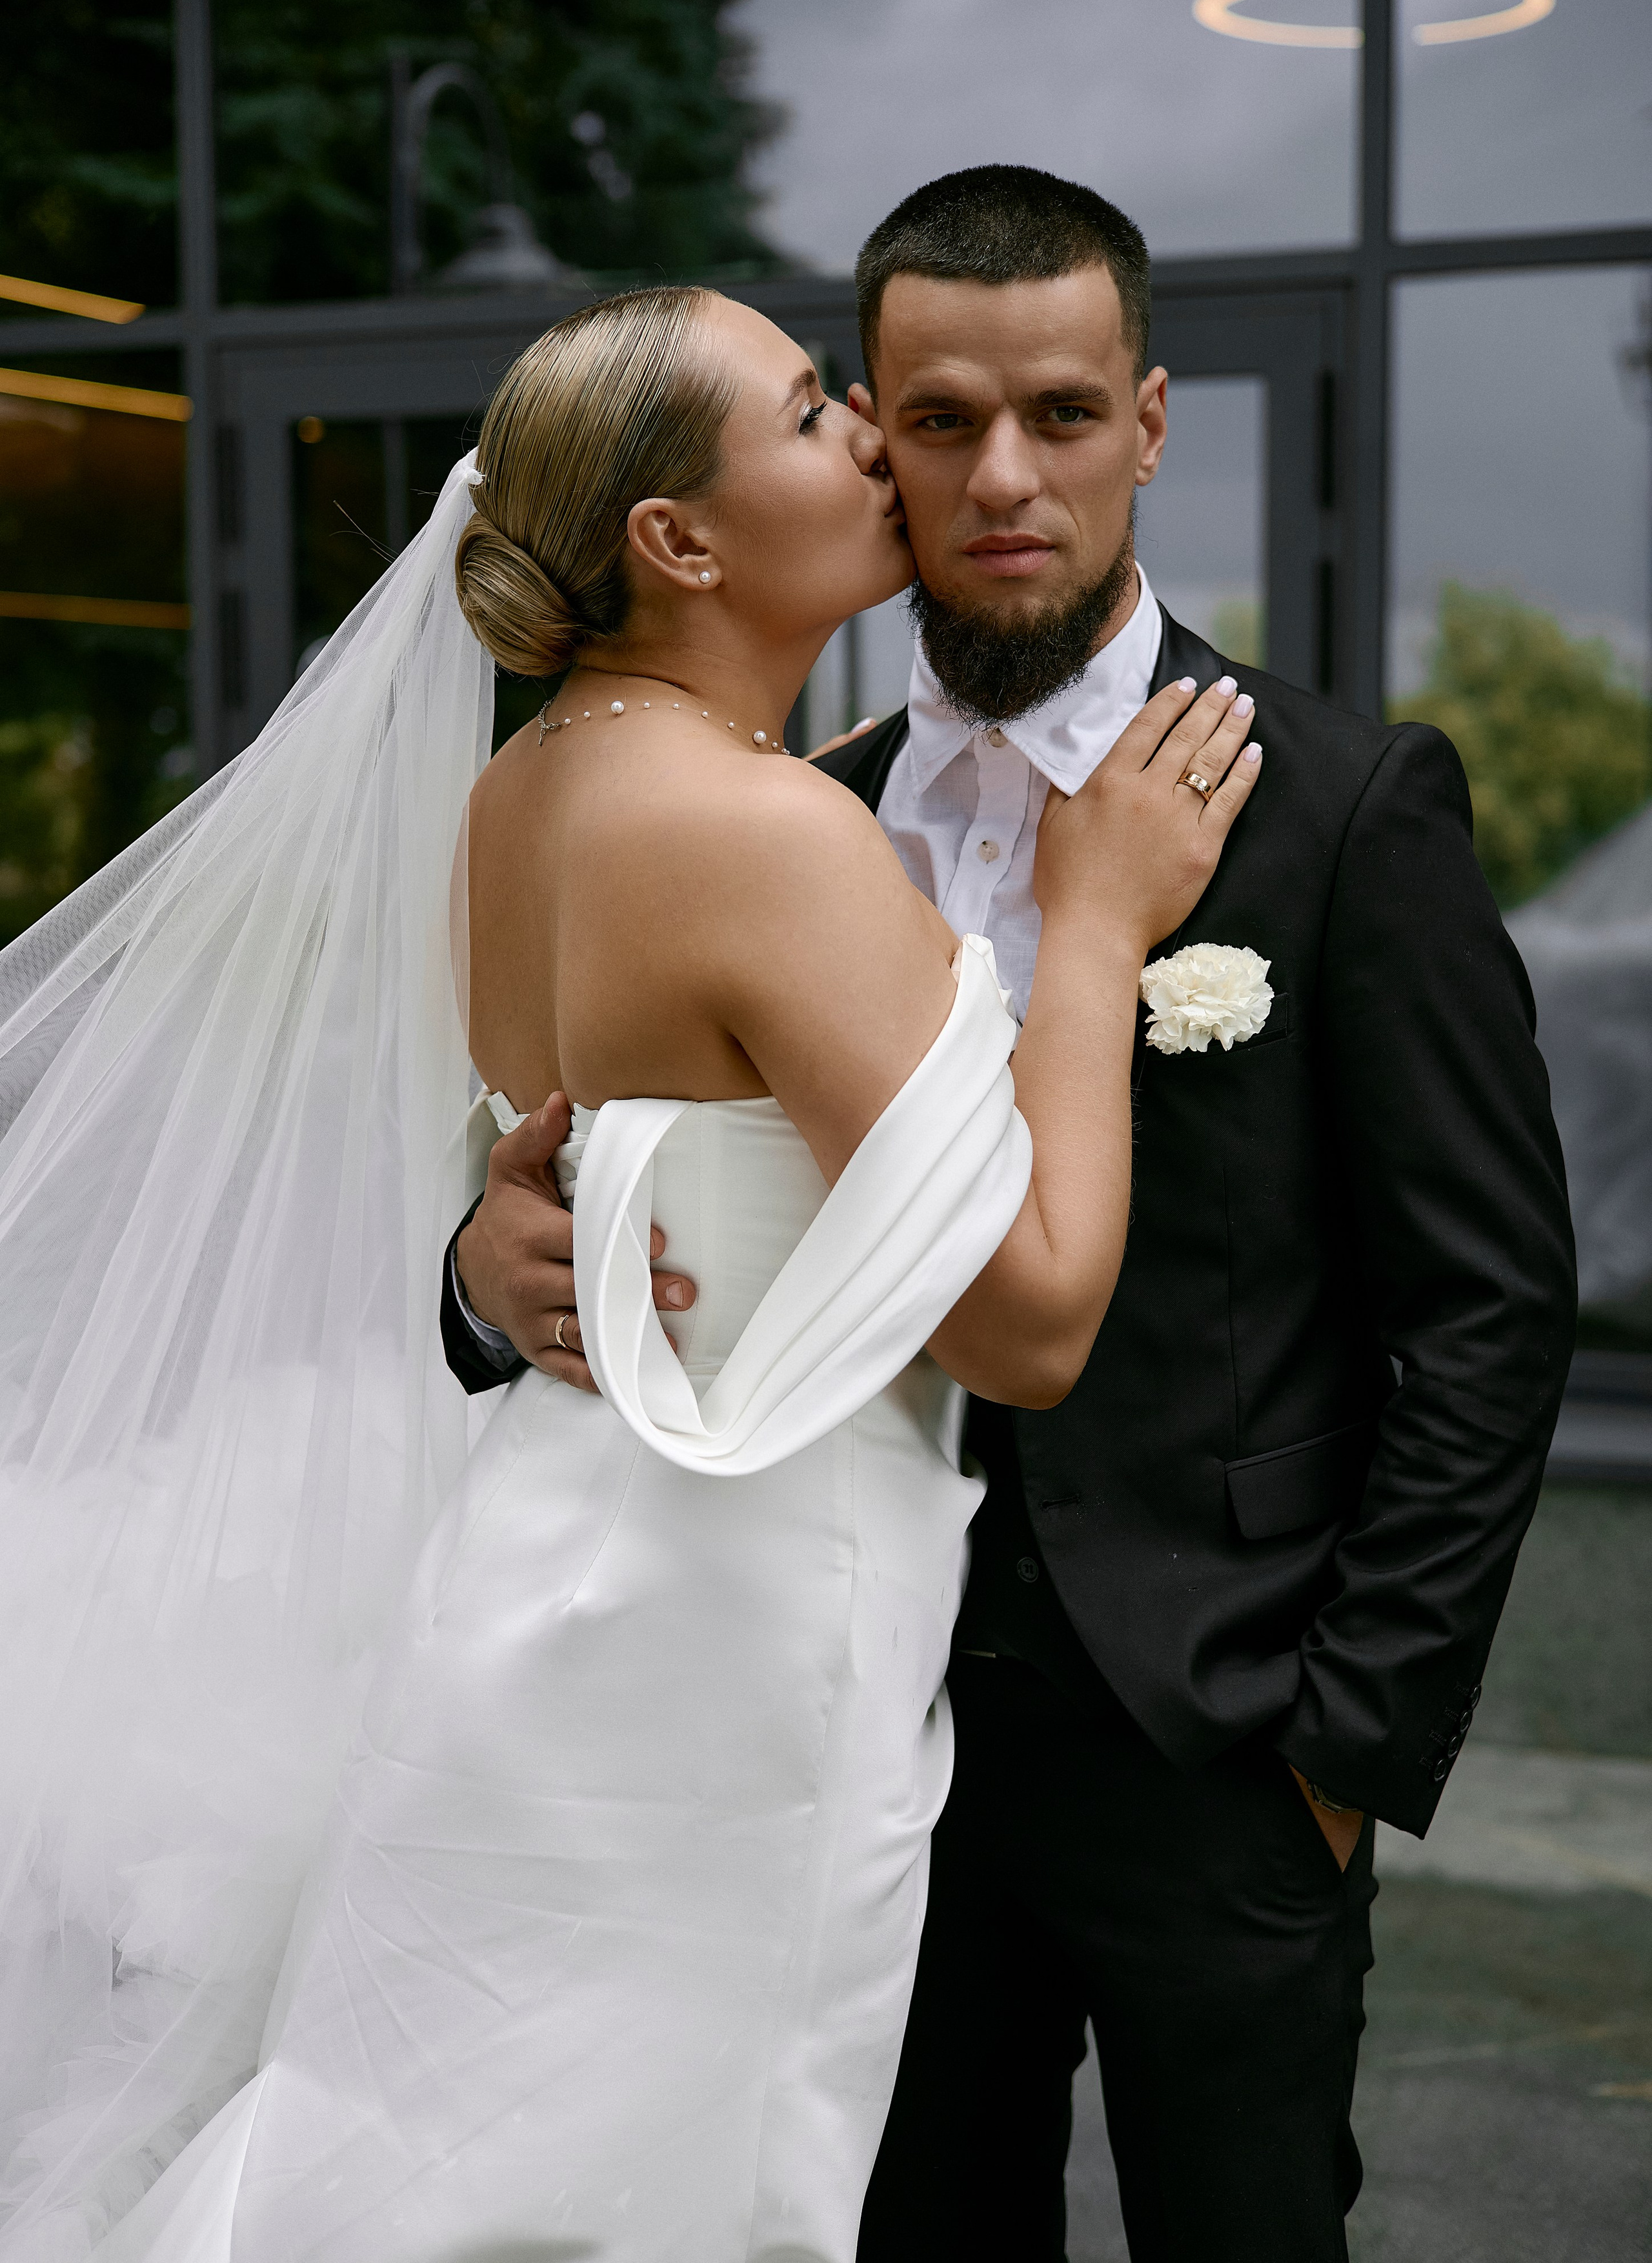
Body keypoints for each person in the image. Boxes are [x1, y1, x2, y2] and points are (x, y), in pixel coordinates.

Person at [0, 283, 1259, 2259]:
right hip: (735, 1638)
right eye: (807, 408)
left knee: (428, 2125)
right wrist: (1094, 935)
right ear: (678, 540)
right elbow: (1023, 1324)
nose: (863, 432)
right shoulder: (763, 828)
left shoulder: (515, 802)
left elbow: (554, 1165)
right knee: (664, 2171)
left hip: (539, 1572)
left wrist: (488, 1248)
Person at [445, 170, 1578, 2263]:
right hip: (839, 1734)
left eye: (1062, 415)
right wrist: (484, 1275)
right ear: (872, 433)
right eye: (936, 419)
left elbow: (1491, 1310)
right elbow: (595, 1158)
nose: (1003, 475)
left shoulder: (1338, 807)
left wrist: (1343, 1748)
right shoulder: (786, 803)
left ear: (1148, 422)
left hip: (1219, 1746)